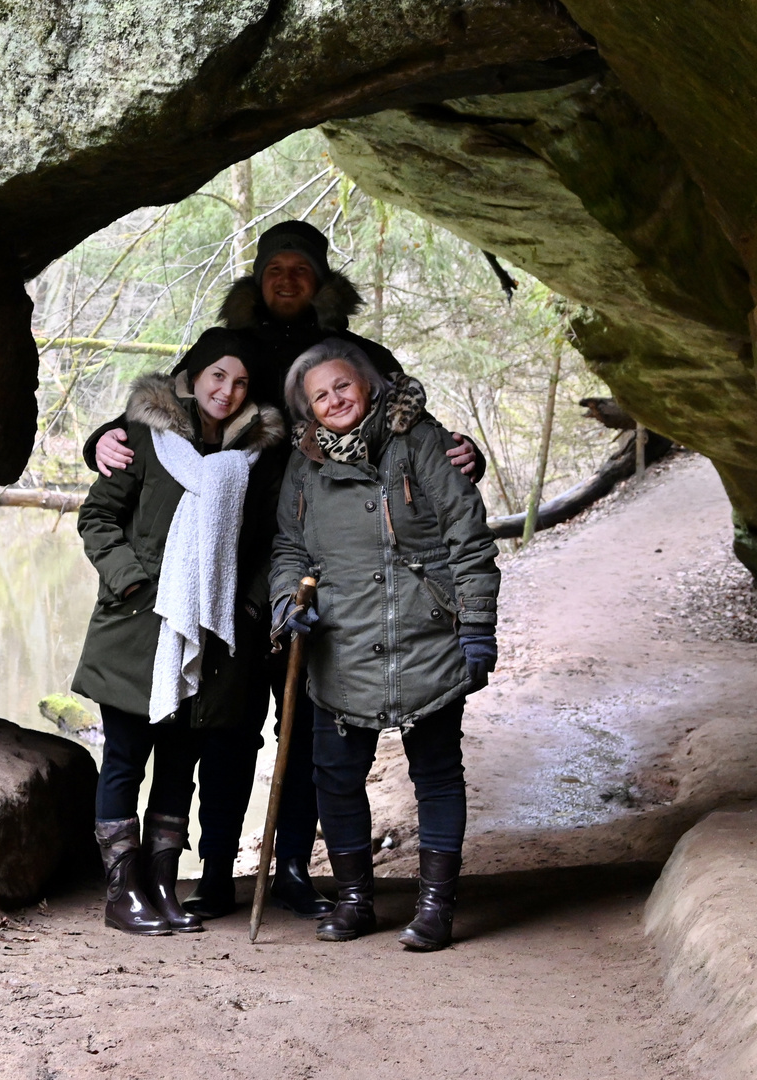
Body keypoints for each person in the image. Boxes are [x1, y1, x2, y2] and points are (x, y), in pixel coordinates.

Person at [80, 221, 486, 923]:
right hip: (225, 581)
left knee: (302, 727)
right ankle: (214, 870)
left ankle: (293, 861)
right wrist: (101, 440)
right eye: (276, 269)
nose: (288, 280)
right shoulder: (223, 350)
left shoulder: (355, 357)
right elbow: (163, 416)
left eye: (302, 269)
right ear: (257, 279)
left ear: (322, 282)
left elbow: (413, 427)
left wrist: (464, 452)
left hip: (319, 575)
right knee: (225, 730)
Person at [270, 338, 500, 952]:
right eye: (320, 395)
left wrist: (477, 625)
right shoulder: (303, 463)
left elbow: (468, 537)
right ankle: (354, 901)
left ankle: (434, 907)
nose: (335, 400)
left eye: (343, 385)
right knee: (335, 777)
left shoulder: (421, 440)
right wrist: (286, 604)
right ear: (309, 410)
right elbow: (290, 547)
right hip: (343, 641)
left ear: (368, 383)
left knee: (437, 773)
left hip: (424, 631)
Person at [71, 328, 286, 935]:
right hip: (140, 627)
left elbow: (270, 542)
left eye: (241, 382)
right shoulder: (146, 435)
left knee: (178, 765)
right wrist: (135, 583)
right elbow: (98, 517)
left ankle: (162, 884)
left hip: (213, 635)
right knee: (123, 761)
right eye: (218, 375)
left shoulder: (258, 454)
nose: (228, 390)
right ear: (193, 376)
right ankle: (122, 891)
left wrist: (244, 607)